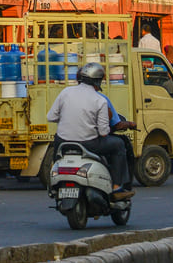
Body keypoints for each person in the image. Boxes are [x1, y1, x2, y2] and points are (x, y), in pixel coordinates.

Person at [46, 62, 134, 200]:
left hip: (62, 142)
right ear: (98, 81)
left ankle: (52, 184)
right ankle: (116, 187)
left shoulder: (65, 93)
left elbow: (51, 117)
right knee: (119, 145)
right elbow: (104, 132)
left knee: (55, 148)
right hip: (89, 144)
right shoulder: (100, 100)